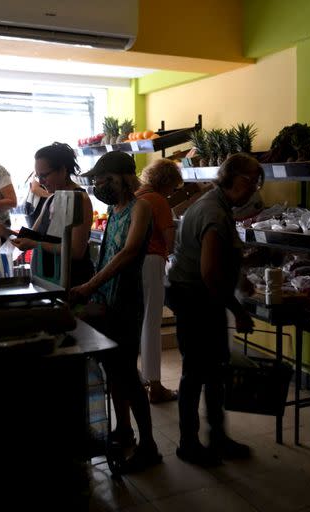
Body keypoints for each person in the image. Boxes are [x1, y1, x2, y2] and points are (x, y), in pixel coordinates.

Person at [69, 151, 161, 473]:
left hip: (126, 303)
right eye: (95, 181)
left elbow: (128, 253)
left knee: (128, 376)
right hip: (107, 302)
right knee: (114, 372)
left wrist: (89, 286)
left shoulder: (142, 207)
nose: (98, 186)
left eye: (103, 180)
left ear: (122, 178)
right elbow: (106, 252)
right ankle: (124, 431)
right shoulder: (113, 209)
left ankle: (149, 446)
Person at [166, 153, 260, 466]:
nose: (254, 190)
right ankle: (189, 444)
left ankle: (217, 437)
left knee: (214, 370)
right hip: (196, 299)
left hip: (199, 296)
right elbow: (209, 272)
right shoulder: (214, 213)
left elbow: (220, 256)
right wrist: (238, 309)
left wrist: (240, 277)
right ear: (237, 179)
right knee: (196, 373)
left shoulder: (215, 204)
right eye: (253, 182)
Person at [7, 142, 94, 288]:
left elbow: (76, 252)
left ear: (62, 170)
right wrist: (0, 230)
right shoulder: (51, 199)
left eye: (45, 175)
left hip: (72, 282)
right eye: (38, 176)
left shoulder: (80, 200)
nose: (40, 182)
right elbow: (30, 237)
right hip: (47, 281)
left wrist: (35, 244)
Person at [135, 158, 183, 404]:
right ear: (166, 183)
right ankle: (155, 386)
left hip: (132, 263)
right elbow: (170, 240)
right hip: (152, 261)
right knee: (151, 324)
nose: (173, 191)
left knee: (139, 321)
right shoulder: (157, 200)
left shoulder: (136, 195)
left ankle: (140, 379)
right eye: (174, 187)